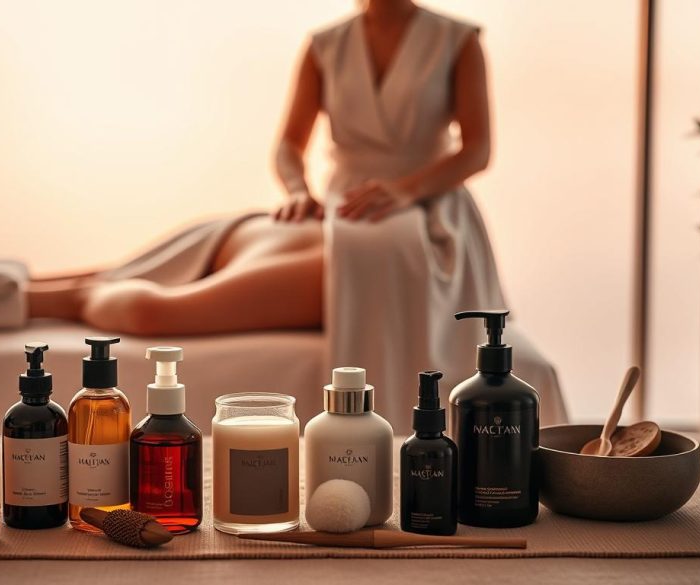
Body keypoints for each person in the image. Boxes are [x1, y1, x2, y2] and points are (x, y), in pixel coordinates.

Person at [27, 0, 496, 338]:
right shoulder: (325, 46)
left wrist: (403, 191)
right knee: (184, 263)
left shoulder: (457, 41)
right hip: (340, 208)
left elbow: (476, 150)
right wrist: (296, 190)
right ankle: (30, 289)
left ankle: (57, 300)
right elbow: (289, 145)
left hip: (424, 213)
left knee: (165, 310)